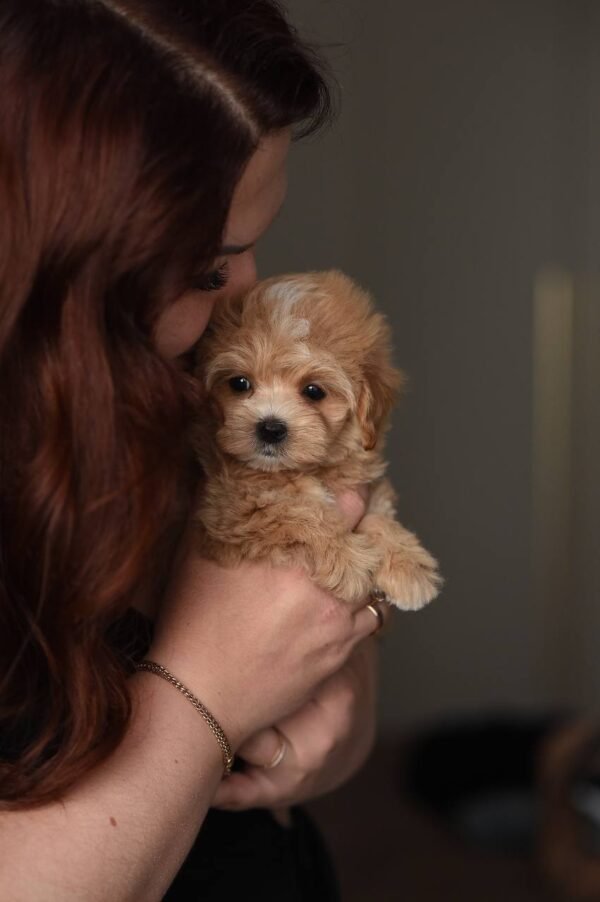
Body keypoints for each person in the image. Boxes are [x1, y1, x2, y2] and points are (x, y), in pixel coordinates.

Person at [0, 1, 386, 898]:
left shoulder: (178, 378)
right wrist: (207, 691)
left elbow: (316, 609)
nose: (248, 295)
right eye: (210, 267)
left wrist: (336, 696)